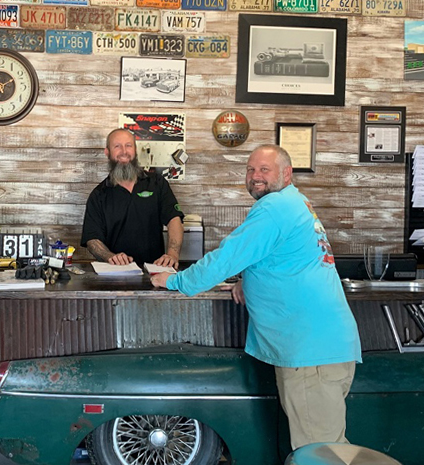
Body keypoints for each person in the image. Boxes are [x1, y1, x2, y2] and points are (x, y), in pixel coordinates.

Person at [151, 144, 361, 450]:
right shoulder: (297, 202)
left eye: (264, 169)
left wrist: (177, 281)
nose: (255, 176)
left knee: (320, 454)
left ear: (286, 173)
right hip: (324, 345)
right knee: (326, 446)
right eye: (250, 169)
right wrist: (248, 281)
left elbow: (228, 257)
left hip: (309, 351)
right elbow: (285, 258)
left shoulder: (274, 208)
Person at [81, 128, 185, 267]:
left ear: (135, 150)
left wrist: (172, 254)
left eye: (128, 145)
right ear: (107, 152)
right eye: (117, 146)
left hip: (155, 271)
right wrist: (110, 256)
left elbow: (174, 219)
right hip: (115, 273)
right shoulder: (98, 195)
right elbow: (92, 239)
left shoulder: (157, 183)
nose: (124, 151)